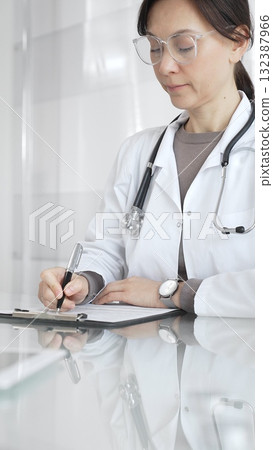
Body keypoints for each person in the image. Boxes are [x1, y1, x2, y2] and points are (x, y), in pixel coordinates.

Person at [38, 0, 255, 318]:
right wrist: (82, 281)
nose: (165, 66)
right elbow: (108, 250)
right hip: (148, 356)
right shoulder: (138, 152)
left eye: (183, 46)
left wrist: (172, 293)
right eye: (155, 48)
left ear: (238, 42)